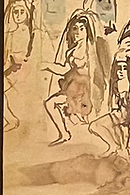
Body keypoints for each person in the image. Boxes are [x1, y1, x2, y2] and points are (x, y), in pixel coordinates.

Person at [42, 11, 109, 145]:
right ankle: (64, 134)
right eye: (75, 28)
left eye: (82, 29)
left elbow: (97, 69)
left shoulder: (91, 50)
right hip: (72, 87)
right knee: (50, 103)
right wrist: (47, 66)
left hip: (85, 88)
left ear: (87, 31)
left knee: (89, 119)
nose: (78, 32)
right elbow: (64, 69)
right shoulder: (71, 51)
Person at [88, 55, 130, 156]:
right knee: (96, 126)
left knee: (96, 126)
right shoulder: (116, 84)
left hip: (125, 117)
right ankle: (115, 147)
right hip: (117, 116)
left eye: (124, 68)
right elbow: (115, 106)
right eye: (118, 68)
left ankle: (116, 147)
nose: (121, 71)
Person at [2, 0, 35, 131]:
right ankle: (11, 119)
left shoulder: (24, 31)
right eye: (16, 12)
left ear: (27, 14)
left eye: (22, 12)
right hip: (10, 66)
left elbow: (19, 56)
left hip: (18, 68)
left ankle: (11, 120)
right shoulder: (11, 30)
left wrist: (7, 66)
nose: (18, 15)